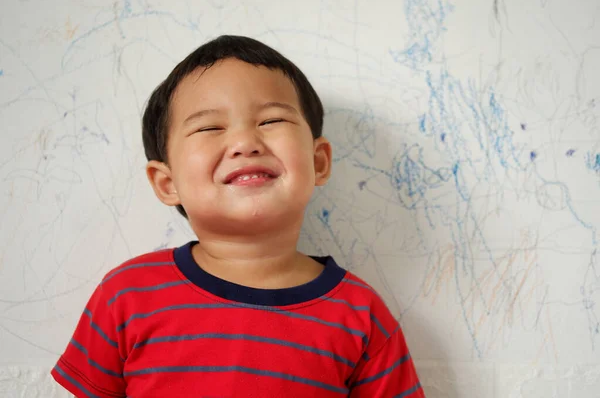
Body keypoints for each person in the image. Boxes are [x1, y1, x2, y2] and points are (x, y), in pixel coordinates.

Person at [51, 35, 425, 398]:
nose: (246, 143)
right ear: (167, 183)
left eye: (271, 121)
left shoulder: (361, 315)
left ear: (318, 162)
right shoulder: (126, 295)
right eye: (210, 127)